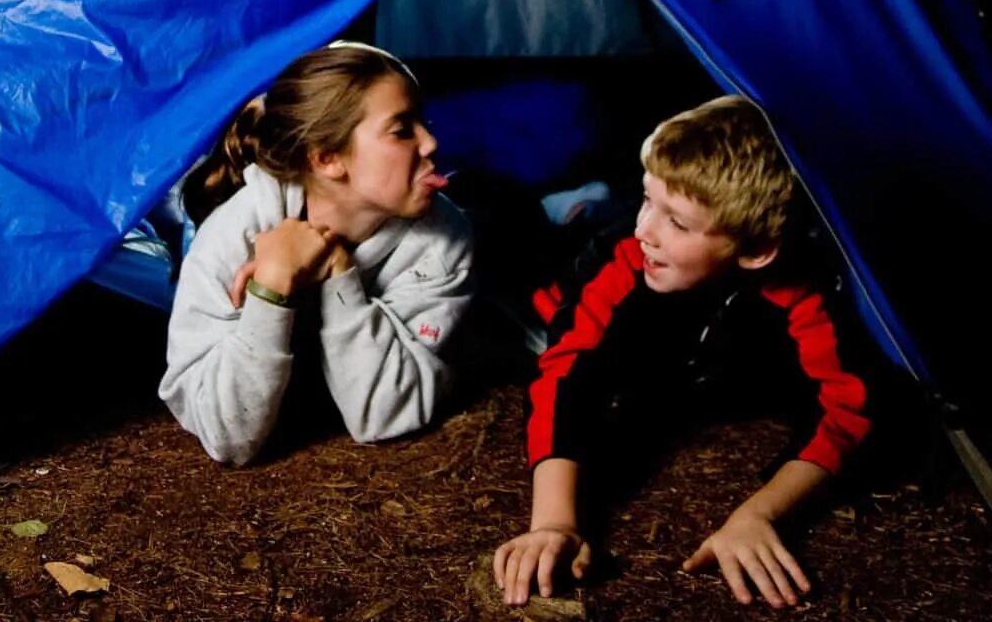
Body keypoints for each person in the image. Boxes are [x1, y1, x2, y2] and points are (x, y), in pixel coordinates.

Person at [494, 95, 877, 610]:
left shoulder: (801, 289)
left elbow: (846, 405)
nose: (644, 229)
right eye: (648, 200)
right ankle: (570, 204)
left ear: (757, 250)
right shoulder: (625, 253)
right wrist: (554, 522)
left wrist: (759, 514)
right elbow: (565, 376)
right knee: (513, 247)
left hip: (707, 357)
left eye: (676, 221)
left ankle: (585, 201)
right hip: (569, 287)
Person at [158, 41, 475, 466]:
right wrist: (270, 289)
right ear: (327, 159)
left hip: (484, 214)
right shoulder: (232, 235)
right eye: (402, 130)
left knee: (502, 209)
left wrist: (337, 271)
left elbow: (387, 415)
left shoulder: (444, 237)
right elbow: (228, 437)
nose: (431, 142)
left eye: (424, 121)